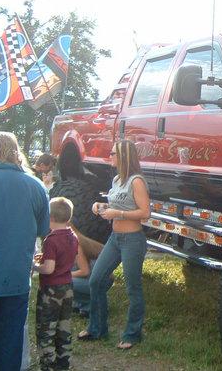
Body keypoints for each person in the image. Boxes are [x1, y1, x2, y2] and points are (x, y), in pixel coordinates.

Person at [0, 131, 50, 371]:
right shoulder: (36, 186)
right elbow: (45, 231)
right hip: (16, 277)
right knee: (10, 342)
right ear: (16, 152)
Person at [78, 140, 150, 350]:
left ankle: (132, 334)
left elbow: (145, 213)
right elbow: (118, 204)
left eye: (112, 153)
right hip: (115, 239)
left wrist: (117, 213)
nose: (109, 157)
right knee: (96, 280)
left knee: (132, 287)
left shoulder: (136, 181)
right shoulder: (118, 179)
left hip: (132, 240)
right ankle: (97, 328)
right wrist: (101, 206)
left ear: (123, 156)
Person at [33, 197, 78, 371]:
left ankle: (48, 365)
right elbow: (65, 259)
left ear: (49, 217)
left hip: (50, 290)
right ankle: (63, 364)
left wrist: (35, 266)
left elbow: (49, 268)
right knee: (63, 327)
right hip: (67, 287)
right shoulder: (72, 236)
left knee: (46, 329)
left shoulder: (50, 240)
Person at [71, 227, 113, 317]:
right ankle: (85, 305)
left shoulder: (75, 243)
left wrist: (63, 275)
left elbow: (84, 271)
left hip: (101, 281)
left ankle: (97, 305)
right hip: (92, 279)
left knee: (61, 281)